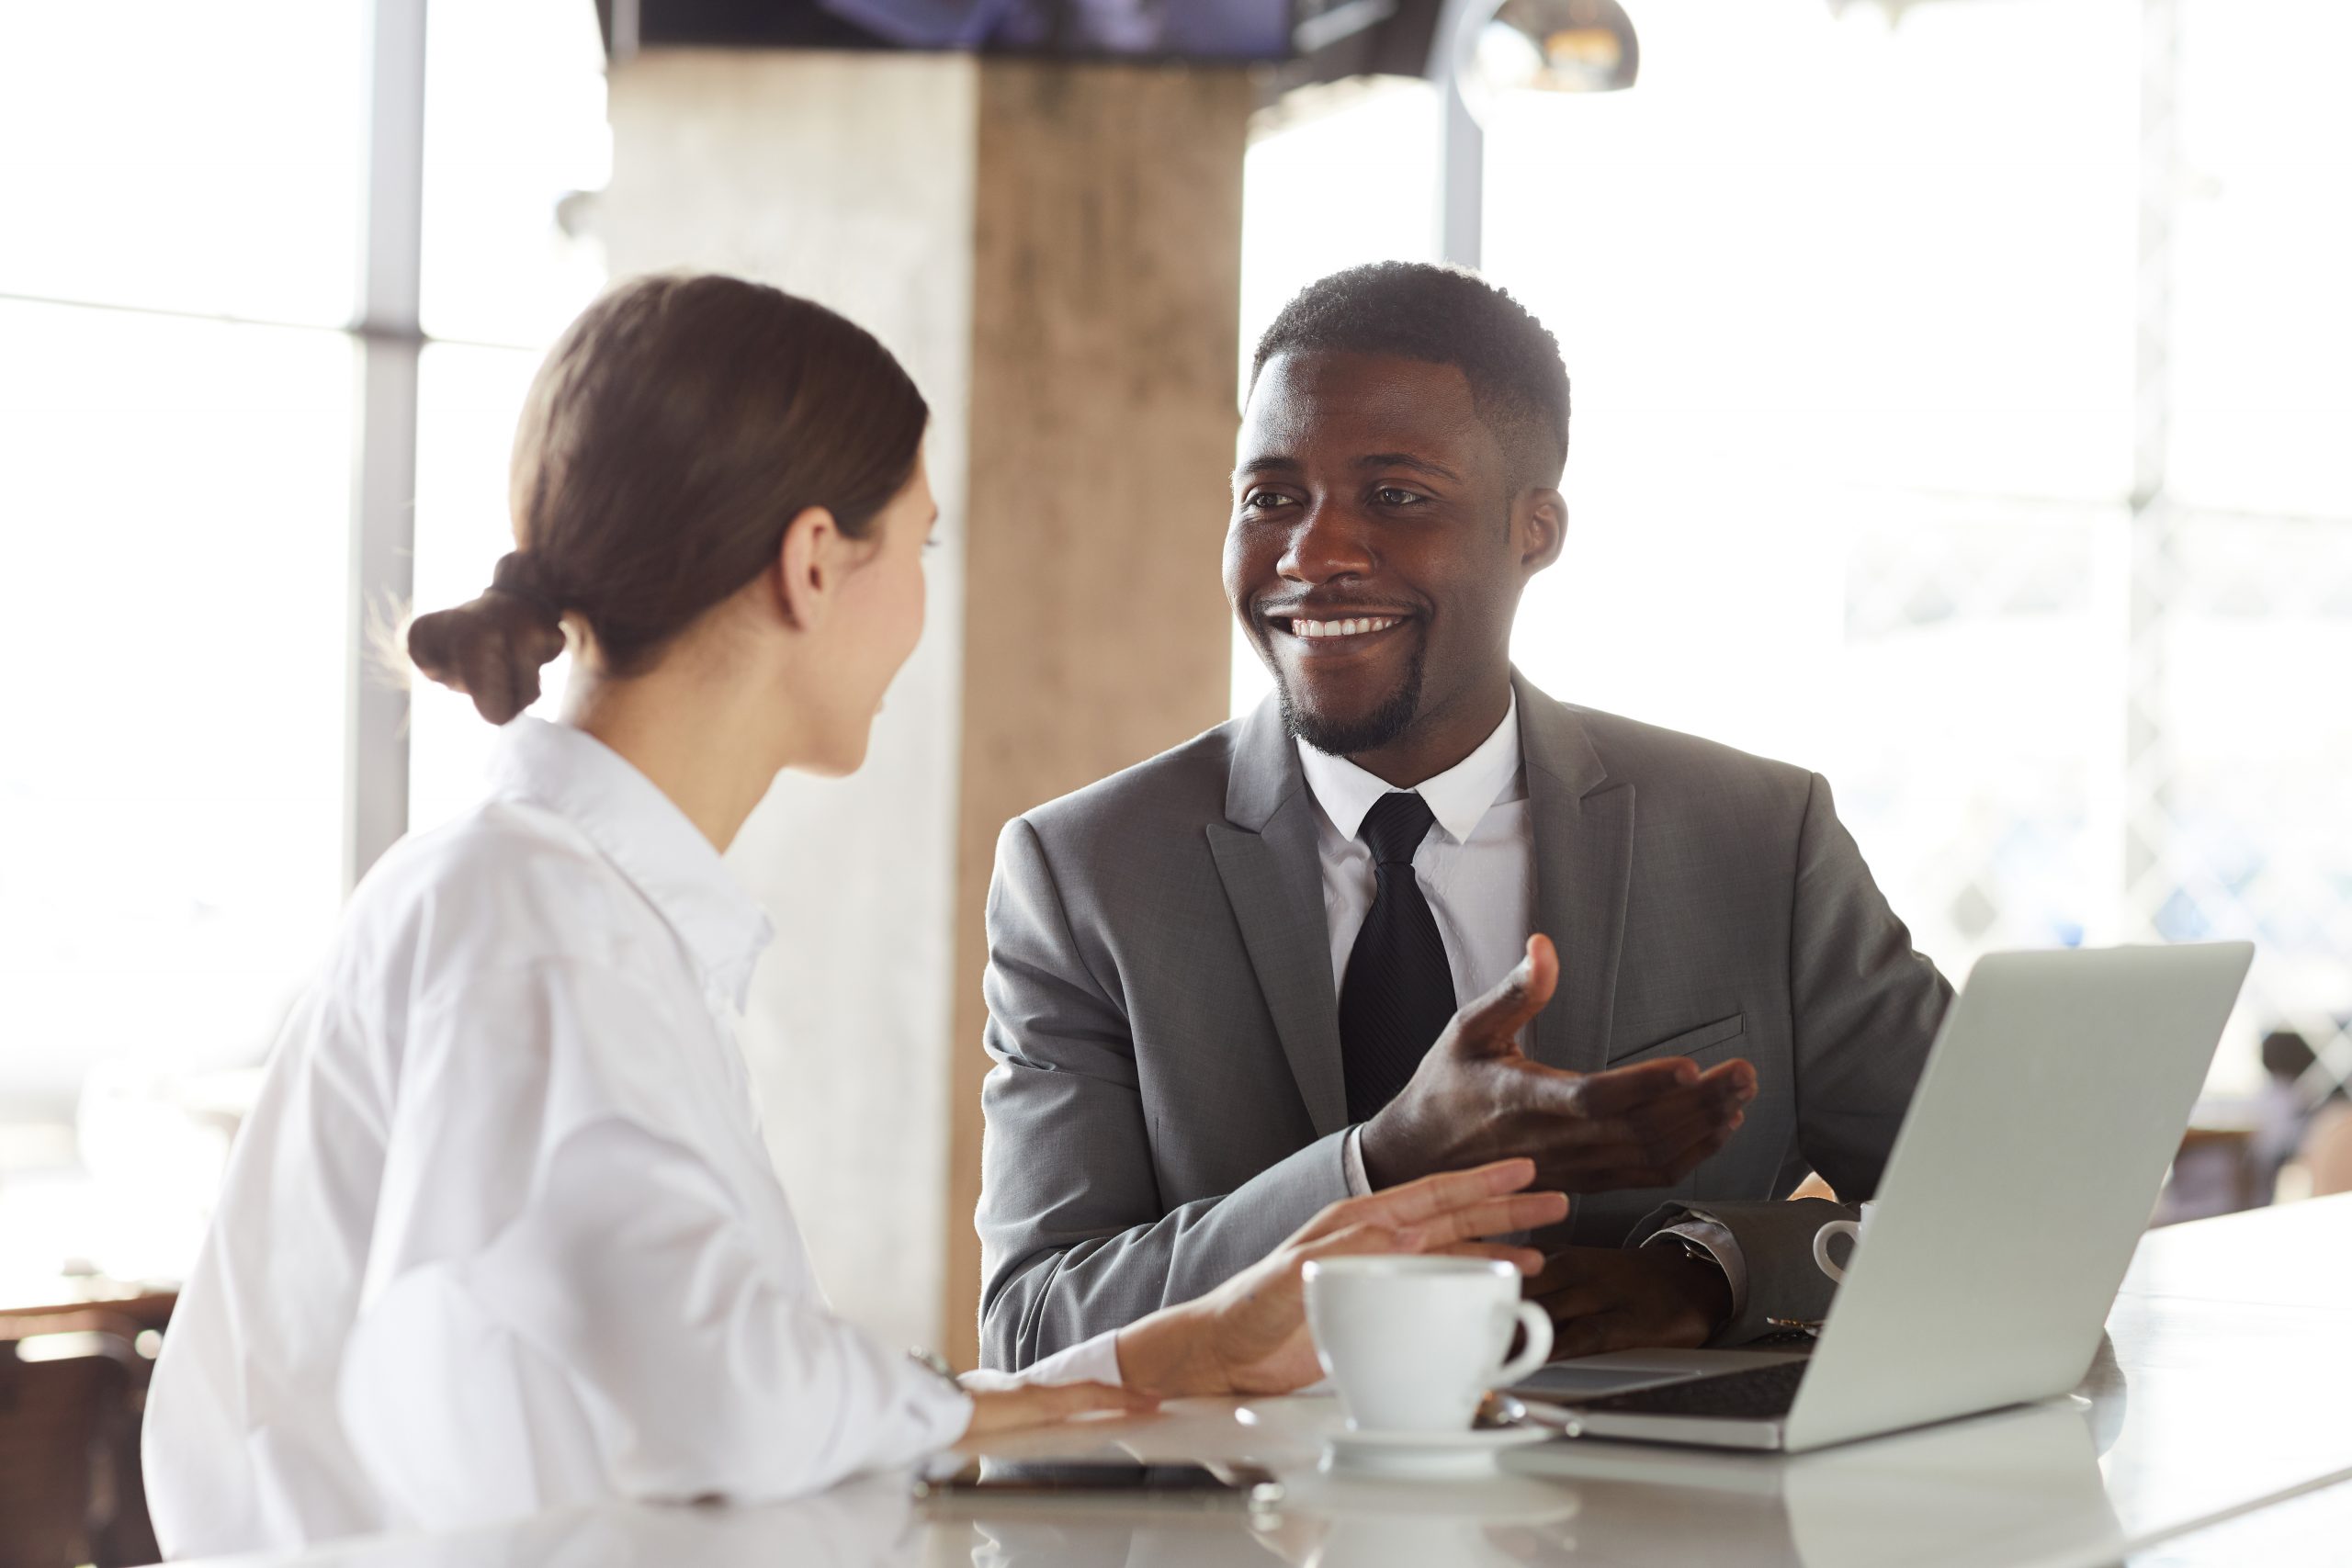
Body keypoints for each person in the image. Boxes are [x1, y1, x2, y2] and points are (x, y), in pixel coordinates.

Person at [140, 274, 1570, 1559]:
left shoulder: (570, 903)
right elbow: (734, 1395)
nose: (917, 617)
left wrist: (1171, 1350)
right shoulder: (534, 915)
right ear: (815, 560)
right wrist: (1139, 1369)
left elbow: (718, 1393)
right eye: (922, 549)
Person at [976, 262, 1954, 1371]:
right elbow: (1031, 1322)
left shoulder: (1756, 839)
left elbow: (1999, 1197)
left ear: (1533, 529)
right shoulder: (1088, 872)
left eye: (1395, 496)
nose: (1312, 554)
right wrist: (1382, 1162)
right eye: (1270, 498)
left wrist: (1713, 1269)